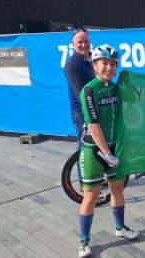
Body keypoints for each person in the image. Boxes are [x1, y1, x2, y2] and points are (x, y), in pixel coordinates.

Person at [78, 44, 138, 258]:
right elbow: (93, 126)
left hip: (115, 148)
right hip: (94, 150)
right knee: (91, 195)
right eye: (104, 63)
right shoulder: (89, 90)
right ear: (94, 65)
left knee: (117, 190)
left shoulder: (116, 88)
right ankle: (84, 241)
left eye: (113, 64)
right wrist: (107, 153)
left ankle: (120, 228)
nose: (109, 68)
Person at [64, 27, 94, 191]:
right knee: (83, 145)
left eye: (86, 41)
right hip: (82, 111)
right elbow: (80, 93)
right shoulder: (71, 64)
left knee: (96, 145)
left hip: (95, 108)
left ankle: (95, 176)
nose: (83, 45)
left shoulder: (94, 58)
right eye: (80, 42)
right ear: (73, 44)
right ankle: (83, 182)